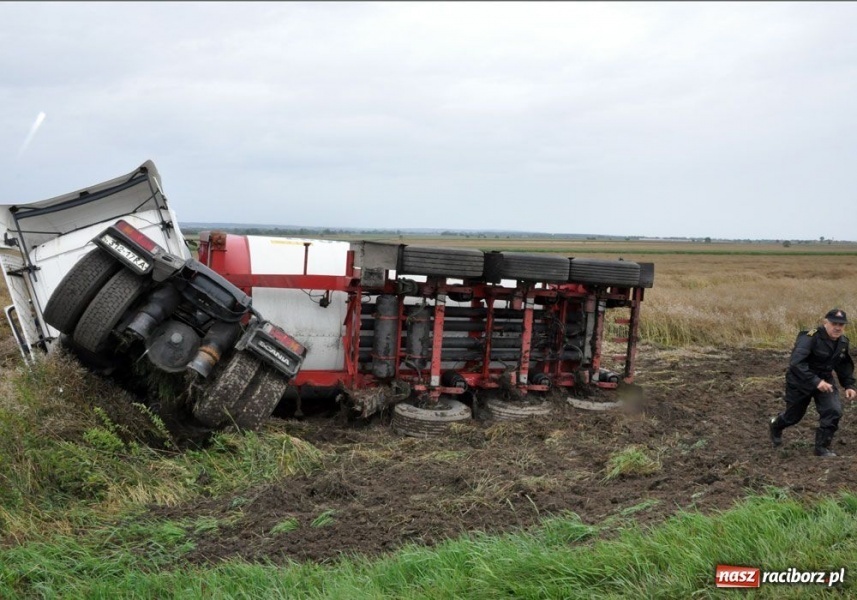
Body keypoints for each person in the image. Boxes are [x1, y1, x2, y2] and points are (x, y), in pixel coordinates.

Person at [769, 308, 857, 457]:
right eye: (834, 323)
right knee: (793, 416)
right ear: (825, 323)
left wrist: (849, 385)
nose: (837, 327)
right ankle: (776, 424)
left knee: (833, 410)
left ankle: (822, 447)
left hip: (825, 381)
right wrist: (816, 381)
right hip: (800, 381)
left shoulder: (842, 342)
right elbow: (796, 363)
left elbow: (843, 366)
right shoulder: (810, 337)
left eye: (841, 325)